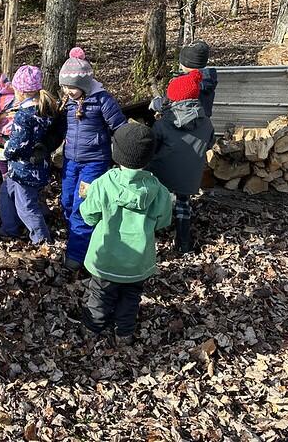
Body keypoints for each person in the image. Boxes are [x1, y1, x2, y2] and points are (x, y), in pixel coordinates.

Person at [79, 122, 173, 345]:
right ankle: (124, 333)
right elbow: (163, 221)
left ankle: (93, 329)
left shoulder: (102, 183)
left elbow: (89, 215)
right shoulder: (158, 189)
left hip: (105, 259)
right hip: (138, 262)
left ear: (116, 152)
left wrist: (88, 199)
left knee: (99, 295)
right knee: (130, 298)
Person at [57, 47, 127, 271]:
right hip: (70, 160)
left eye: (72, 87)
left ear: (85, 84)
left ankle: (77, 255)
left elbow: (119, 126)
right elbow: (60, 129)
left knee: (82, 205)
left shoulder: (102, 100)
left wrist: (126, 154)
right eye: (65, 87)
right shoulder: (67, 103)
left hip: (94, 162)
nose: (68, 91)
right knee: (67, 200)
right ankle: (77, 234)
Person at [149, 69, 215, 253]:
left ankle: (155, 230)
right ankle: (183, 242)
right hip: (190, 176)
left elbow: (151, 146)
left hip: (163, 174)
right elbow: (210, 143)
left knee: (159, 200)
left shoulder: (163, 123)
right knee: (183, 205)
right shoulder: (206, 122)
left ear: (173, 98)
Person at [0, 65, 61, 245]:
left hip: (24, 170)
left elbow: (18, 145)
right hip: (36, 166)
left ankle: (42, 240)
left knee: (26, 207)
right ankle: (9, 228)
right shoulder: (45, 108)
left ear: (21, 92)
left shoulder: (24, 116)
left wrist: (6, 149)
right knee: (6, 191)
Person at [150, 40, 218, 118]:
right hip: (202, 124)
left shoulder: (187, 84)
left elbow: (169, 103)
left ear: (186, 63)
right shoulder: (208, 79)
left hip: (182, 124)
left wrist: (155, 103)